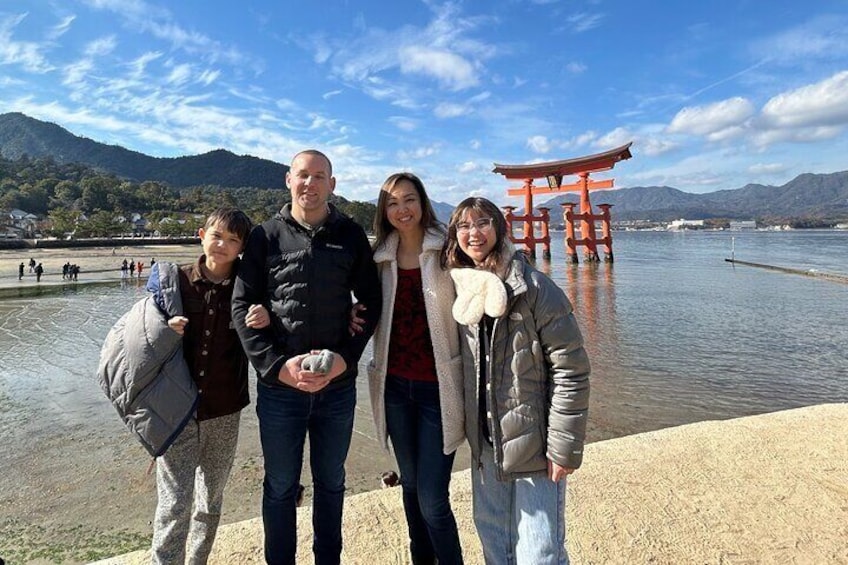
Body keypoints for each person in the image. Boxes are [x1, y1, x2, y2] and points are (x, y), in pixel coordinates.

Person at [232, 149, 381, 565]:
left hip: (336, 388)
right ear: (288, 180)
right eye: (303, 175)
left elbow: (370, 300)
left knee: (332, 482)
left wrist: (346, 359)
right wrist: (277, 368)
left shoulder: (349, 234)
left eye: (319, 176)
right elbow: (241, 308)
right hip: (280, 391)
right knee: (280, 484)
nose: (310, 184)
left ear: (332, 184)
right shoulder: (265, 236)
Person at [441, 197, 591, 565]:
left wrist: (564, 446)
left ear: (498, 227)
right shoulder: (460, 292)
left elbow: (570, 368)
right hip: (486, 443)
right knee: (495, 541)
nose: (473, 234)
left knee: (541, 551)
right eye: (463, 226)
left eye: (482, 223)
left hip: (534, 444)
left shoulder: (533, 287)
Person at [146, 208, 271, 563]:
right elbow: (139, 337)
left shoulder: (248, 289)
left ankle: (198, 560)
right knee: (174, 502)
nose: (223, 245)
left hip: (225, 409)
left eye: (233, 240)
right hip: (177, 412)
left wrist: (267, 318)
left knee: (210, 499)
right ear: (202, 234)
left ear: (242, 247)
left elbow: (270, 335)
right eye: (217, 236)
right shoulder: (176, 282)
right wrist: (164, 329)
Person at [366, 172, 465, 564]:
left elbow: (483, 280)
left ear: (423, 202)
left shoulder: (447, 250)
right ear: (384, 211)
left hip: (437, 389)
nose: (401, 209)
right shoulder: (380, 258)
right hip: (394, 387)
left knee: (433, 499)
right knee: (409, 487)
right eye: (392, 202)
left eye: (409, 199)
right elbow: (360, 305)